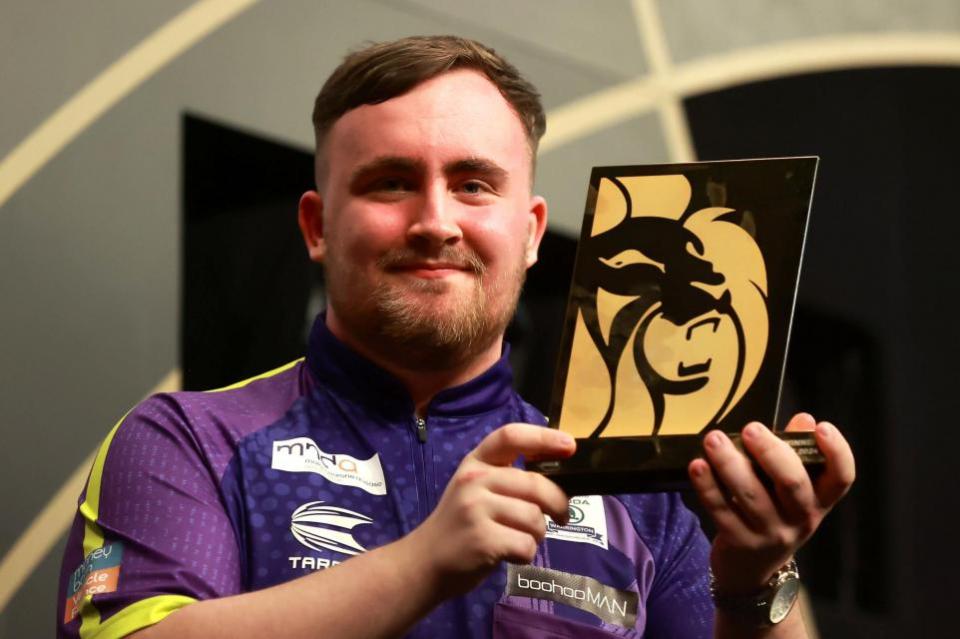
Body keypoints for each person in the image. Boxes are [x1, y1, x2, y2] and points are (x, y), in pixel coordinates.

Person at [57, 35, 854, 639]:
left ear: (532, 230)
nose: (435, 221)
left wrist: (754, 580)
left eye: (474, 184)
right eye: (391, 182)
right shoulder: (187, 440)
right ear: (316, 225)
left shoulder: (637, 500)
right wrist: (423, 562)